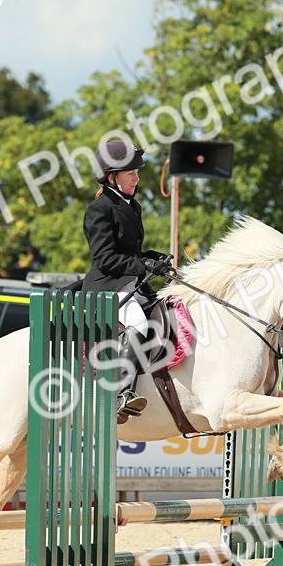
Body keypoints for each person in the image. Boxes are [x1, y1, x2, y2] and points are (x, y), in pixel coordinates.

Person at [81, 140, 172, 423]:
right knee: (140, 324)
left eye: (136, 172)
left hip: (130, 285)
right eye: (130, 173)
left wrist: (150, 258)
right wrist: (143, 263)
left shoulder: (132, 206)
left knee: (167, 311)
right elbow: (105, 259)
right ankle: (121, 393)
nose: (137, 177)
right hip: (107, 287)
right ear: (112, 177)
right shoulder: (99, 209)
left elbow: (128, 253)